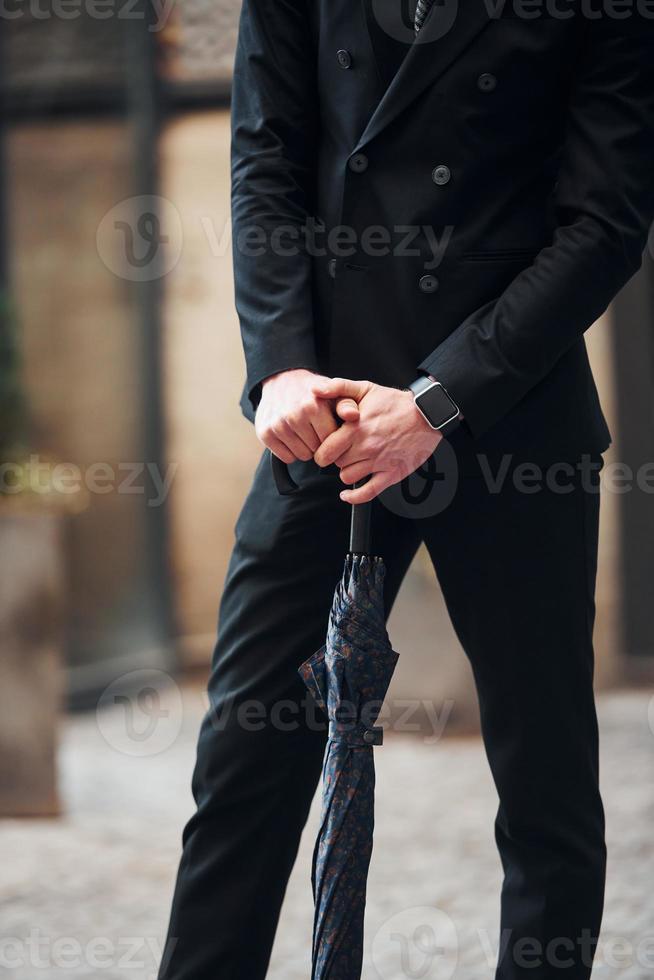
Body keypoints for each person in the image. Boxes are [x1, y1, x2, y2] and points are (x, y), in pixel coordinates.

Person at [158, 2, 654, 978]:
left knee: (544, 770)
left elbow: (604, 221)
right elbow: (265, 162)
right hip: (328, 416)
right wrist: (282, 368)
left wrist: (437, 400)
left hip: (510, 419)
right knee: (245, 759)